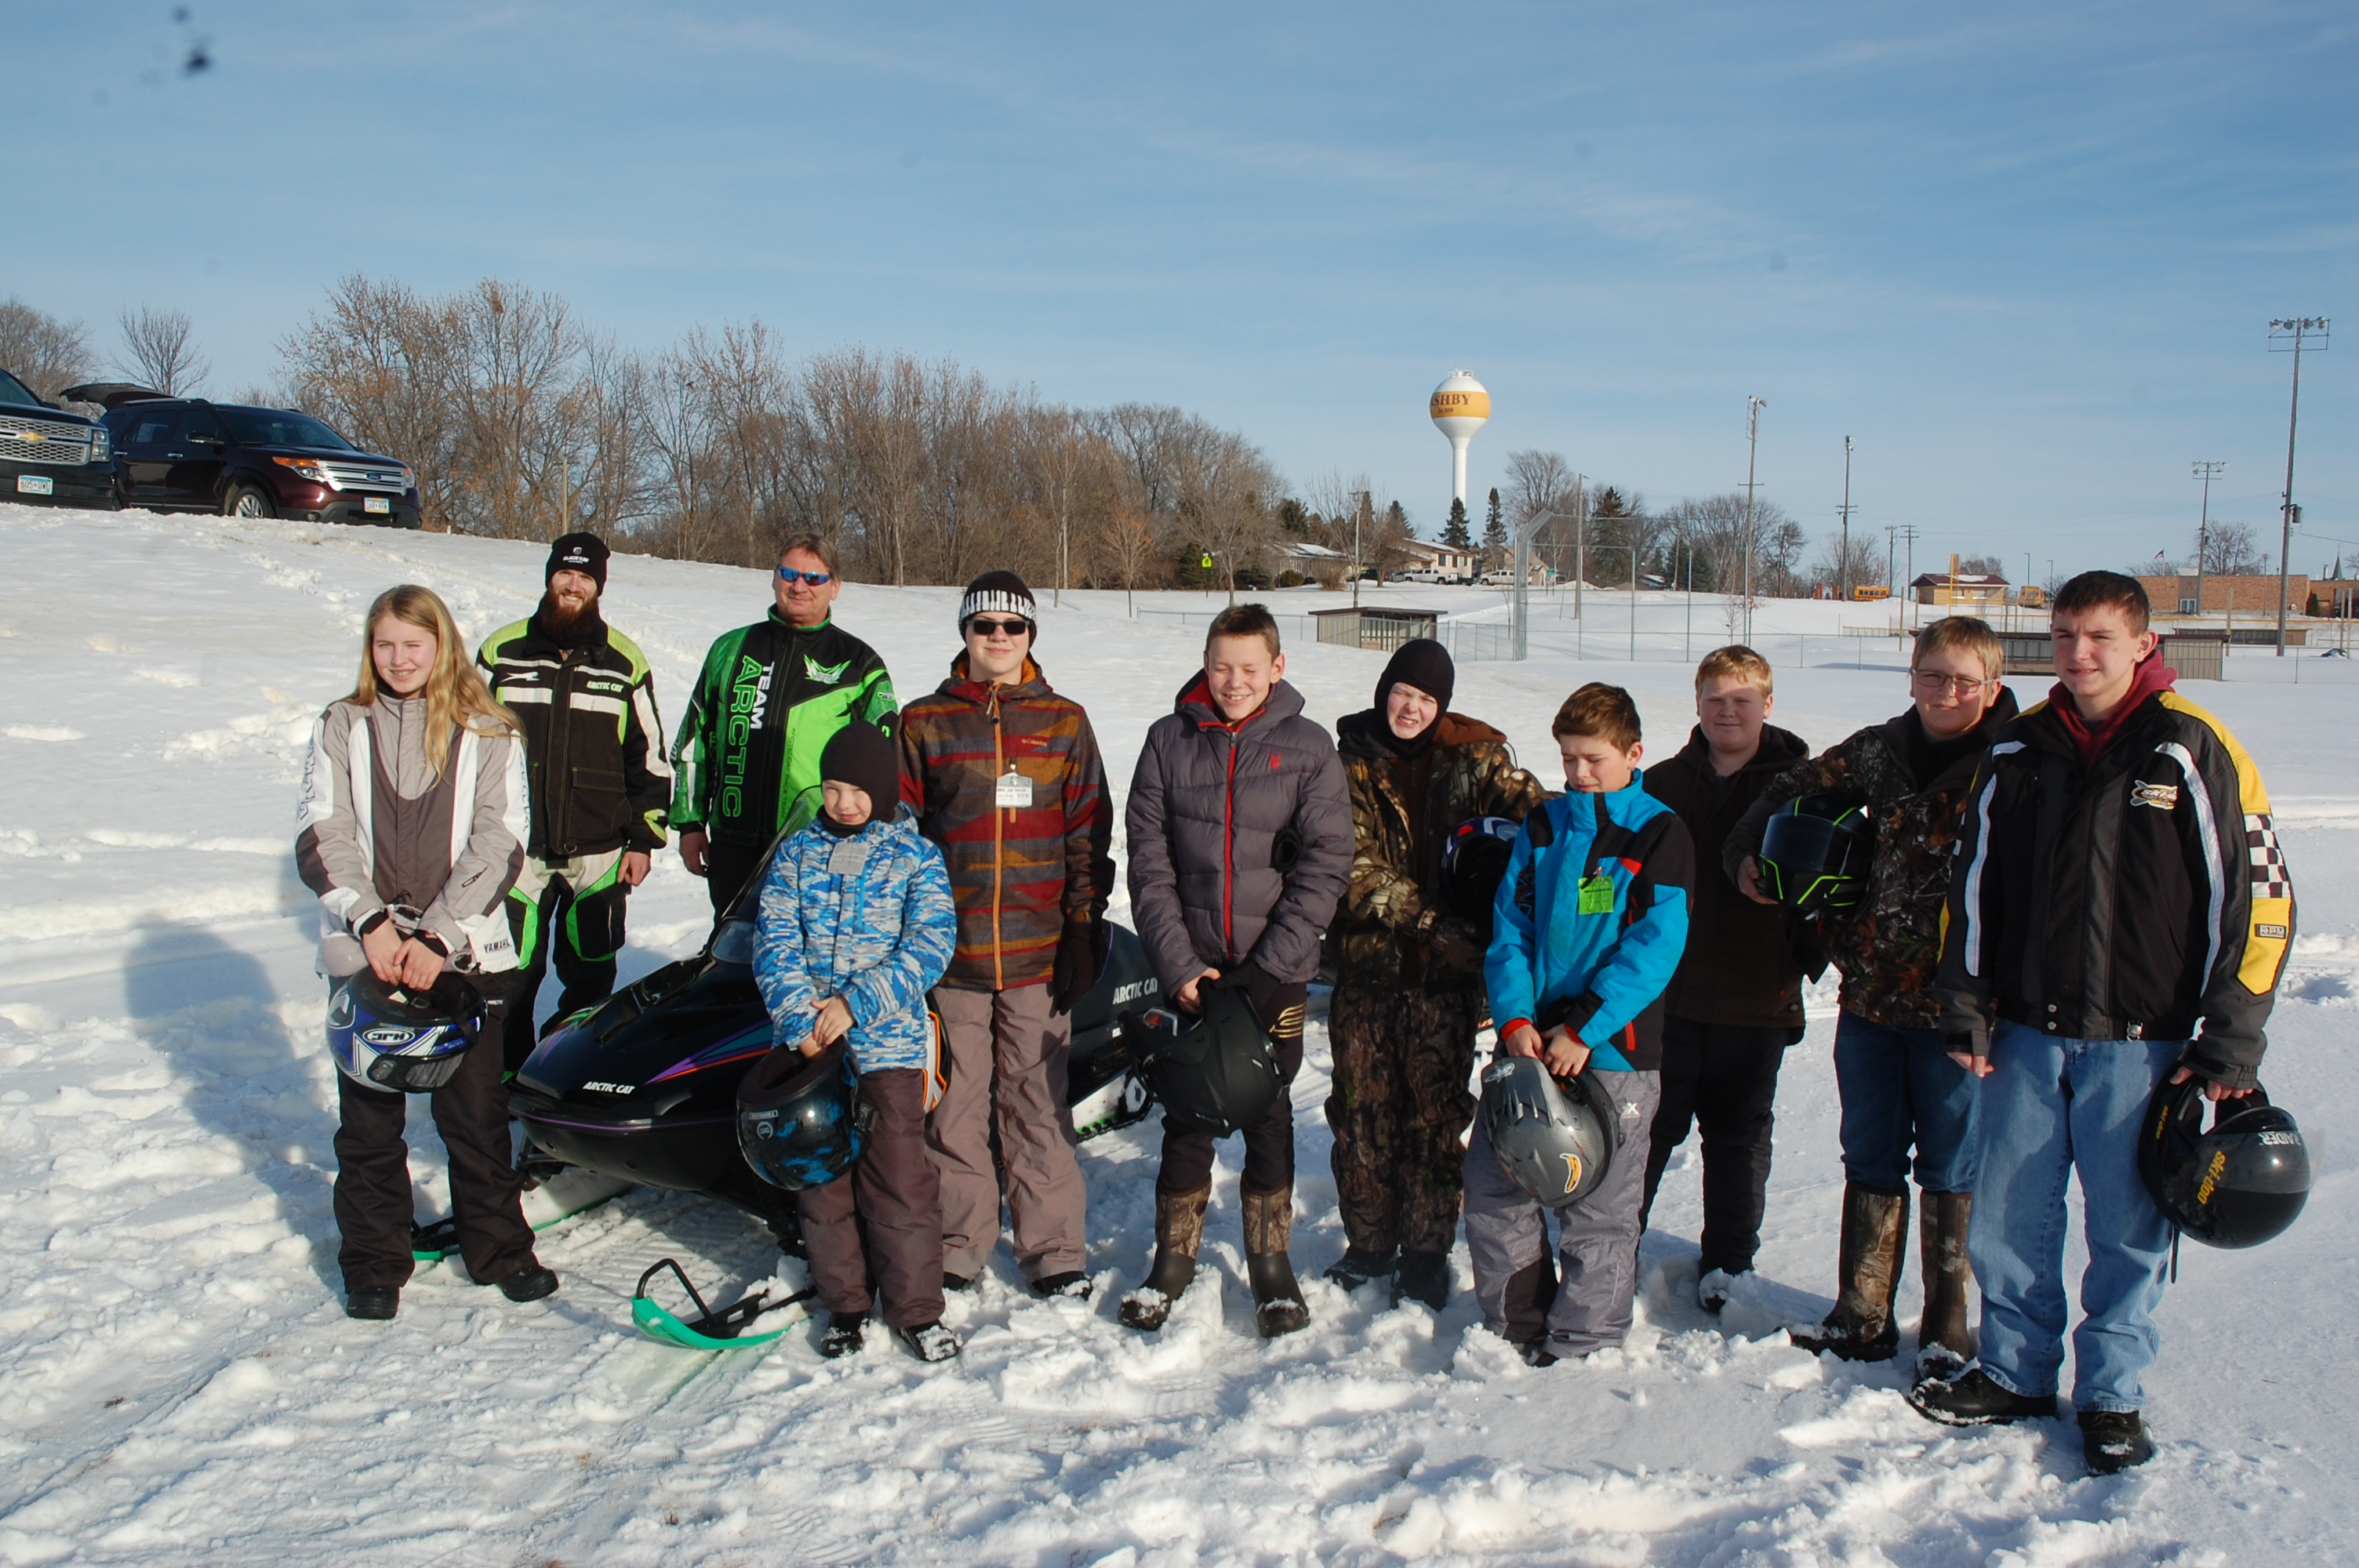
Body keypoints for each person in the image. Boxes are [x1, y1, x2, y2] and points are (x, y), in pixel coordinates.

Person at [1914, 573, 2292, 1475]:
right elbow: (1969, 888)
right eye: (2063, 634)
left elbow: (2259, 897)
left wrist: (2228, 1035)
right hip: (2025, 1036)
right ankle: (2013, 1371)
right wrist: (1964, 1001)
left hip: (2146, 1041)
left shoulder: (2190, 748)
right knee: (2011, 1216)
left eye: (2096, 635)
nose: (2076, 653)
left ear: (2139, 642)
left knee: (2128, 1227)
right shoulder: (2017, 749)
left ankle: (2112, 1394)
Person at [1726, 617, 2016, 1374]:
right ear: (1912, 676)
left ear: (1991, 685)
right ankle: (1862, 1314)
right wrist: (1748, 854)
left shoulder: (2015, 759)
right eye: (1931, 676)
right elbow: (1790, 787)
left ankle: (1948, 1322)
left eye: (1962, 681)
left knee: (1953, 1163)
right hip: (1872, 998)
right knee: (1870, 1152)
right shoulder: (1879, 752)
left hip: (1964, 1009)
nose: (1945, 693)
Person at [296, 584, 556, 1320]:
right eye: (385, 644)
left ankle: (499, 1247)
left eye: (414, 644)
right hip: (369, 951)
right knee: (369, 1118)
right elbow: (325, 833)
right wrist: (374, 925)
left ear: (441, 646)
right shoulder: (342, 725)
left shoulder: (489, 730)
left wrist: (439, 935)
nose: (399, 659)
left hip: (462, 953)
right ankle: (376, 1259)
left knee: (474, 1113)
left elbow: (500, 841)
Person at [1118, 604, 1352, 1337]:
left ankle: (1270, 1263)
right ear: (1206, 662)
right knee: (1187, 1110)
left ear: (1277, 668)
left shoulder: (1309, 747)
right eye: (1222, 666)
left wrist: (1270, 966)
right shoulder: (1167, 741)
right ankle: (1173, 1259)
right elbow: (1148, 864)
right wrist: (1178, 964)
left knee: (1268, 1109)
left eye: (1250, 668)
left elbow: (1326, 863)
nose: (1234, 682)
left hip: (1271, 973)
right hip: (1190, 967)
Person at [898, 572, 1115, 1299]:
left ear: (1030, 636)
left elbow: (1087, 833)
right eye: (984, 625)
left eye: (1012, 627)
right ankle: (959, 1240)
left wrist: (1081, 929)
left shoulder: (1064, 721)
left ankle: (1052, 1248)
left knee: (1036, 1102)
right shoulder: (923, 720)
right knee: (956, 1106)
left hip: (1036, 951)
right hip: (950, 955)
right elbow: (901, 841)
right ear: (964, 633)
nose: (998, 638)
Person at [1468, 683, 1691, 1365]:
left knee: (1598, 1210)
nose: (1578, 773)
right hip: (1531, 1048)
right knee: (1495, 1186)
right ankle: (1515, 1325)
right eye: (1567, 759)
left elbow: (1655, 946)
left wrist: (1584, 1028)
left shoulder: (1658, 832)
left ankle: (1585, 1341)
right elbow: (1509, 929)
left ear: (1634, 753)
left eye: (1593, 759)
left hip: (1614, 1055)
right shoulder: (1544, 826)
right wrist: (1514, 1020)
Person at [1322, 637, 1547, 1309]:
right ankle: (1366, 1246)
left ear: (1441, 704)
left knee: (1435, 1118)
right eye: (1401, 692)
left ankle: (1424, 1253)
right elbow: (1346, 863)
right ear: (1383, 690)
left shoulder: (1478, 761)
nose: (1410, 708)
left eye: (1424, 698)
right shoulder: (1348, 764)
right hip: (1368, 973)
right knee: (1362, 1116)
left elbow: (1542, 824)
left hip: (1448, 985)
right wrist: (1428, 923)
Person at [751, 722, 961, 1362]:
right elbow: (774, 941)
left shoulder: (914, 857)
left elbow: (930, 946)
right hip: (812, 1057)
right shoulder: (796, 854)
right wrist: (801, 1022)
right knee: (824, 1187)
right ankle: (845, 1303)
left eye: (858, 790)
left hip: (887, 1051)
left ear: (883, 789)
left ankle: (917, 1310)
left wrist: (855, 1004)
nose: (844, 803)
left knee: (900, 1184)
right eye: (834, 788)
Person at [1637, 646, 1812, 1312]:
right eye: (1716, 699)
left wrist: (1797, 958)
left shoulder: (1800, 784)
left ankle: (1729, 1265)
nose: (1728, 712)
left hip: (1754, 998)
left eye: (1743, 700)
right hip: (1667, 1000)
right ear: (1697, 703)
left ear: (1768, 705)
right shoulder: (1660, 785)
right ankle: (1617, 1243)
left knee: (1738, 1137)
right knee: (1650, 1128)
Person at [476, 532, 672, 1072]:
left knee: (591, 981)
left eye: (585, 578)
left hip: (600, 855)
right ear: (549, 577)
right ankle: (508, 1081)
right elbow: (461, 746)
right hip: (515, 852)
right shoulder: (500, 653)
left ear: (599, 588)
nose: (573, 585)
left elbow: (649, 760)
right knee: (508, 978)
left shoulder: (624, 662)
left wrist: (645, 839)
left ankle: (560, 1076)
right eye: (565, 573)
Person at [673, 535, 896, 917]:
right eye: (790, 573)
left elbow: (885, 756)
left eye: (814, 578)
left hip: (816, 844)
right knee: (732, 956)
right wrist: (690, 825)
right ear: (774, 577)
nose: (799, 586)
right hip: (734, 844)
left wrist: (871, 838)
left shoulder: (859, 662)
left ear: (835, 587)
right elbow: (695, 744)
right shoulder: (730, 649)